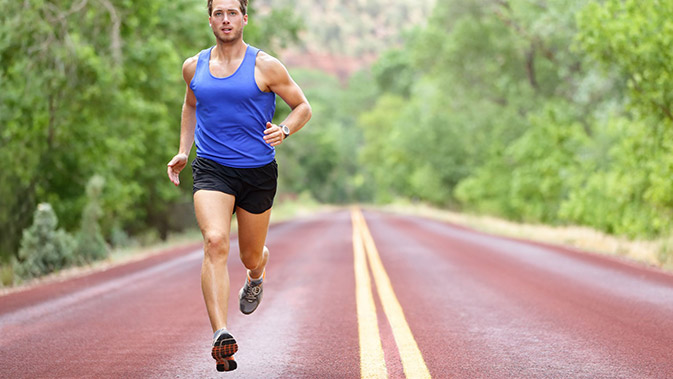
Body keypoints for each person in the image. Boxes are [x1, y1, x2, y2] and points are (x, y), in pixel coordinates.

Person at [166, 0, 311, 372]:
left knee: (249, 255)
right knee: (215, 241)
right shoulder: (193, 66)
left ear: (244, 18)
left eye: (233, 12)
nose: (226, 19)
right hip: (212, 168)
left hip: (258, 172)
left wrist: (286, 129)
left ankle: (257, 274)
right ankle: (221, 335)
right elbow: (190, 105)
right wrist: (185, 150)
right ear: (210, 18)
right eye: (219, 13)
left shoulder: (266, 66)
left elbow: (302, 106)